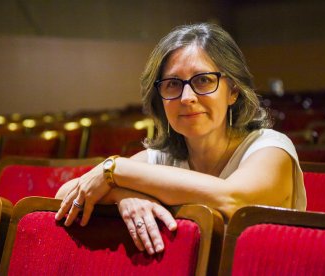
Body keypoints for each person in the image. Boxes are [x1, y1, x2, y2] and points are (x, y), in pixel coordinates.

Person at [55, 22, 306, 256]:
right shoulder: (163, 159)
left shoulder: (270, 147)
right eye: (173, 84)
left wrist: (115, 170)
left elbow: (231, 199)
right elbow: (65, 195)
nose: (186, 97)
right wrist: (122, 195)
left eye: (203, 80)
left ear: (233, 91)